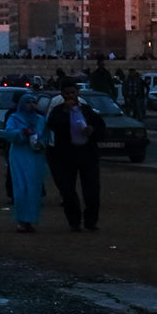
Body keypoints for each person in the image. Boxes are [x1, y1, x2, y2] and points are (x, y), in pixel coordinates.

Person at [44, 79, 106, 232]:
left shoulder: (86, 110)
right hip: (64, 156)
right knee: (68, 191)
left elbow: (101, 128)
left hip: (87, 154)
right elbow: (52, 125)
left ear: (77, 93)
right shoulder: (57, 111)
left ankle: (91, 221)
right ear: (62, 95)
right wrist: (66, 112)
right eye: (67, 93)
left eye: (73, 93)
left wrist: (92, 130)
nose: (70, 96)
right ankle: (74, 221)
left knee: (92, 190)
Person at [3, 90, 46, 232]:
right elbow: (8, 133)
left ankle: (30, 219)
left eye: (33, 102)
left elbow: (47, 136)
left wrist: (40, 142)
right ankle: (21, 219)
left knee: (34, 189)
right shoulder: (14, 118)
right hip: (20, 155)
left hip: (35, 156)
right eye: (28, 102)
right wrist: (22, 133)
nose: (31, 105)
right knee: (21, 188)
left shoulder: (40, 119)